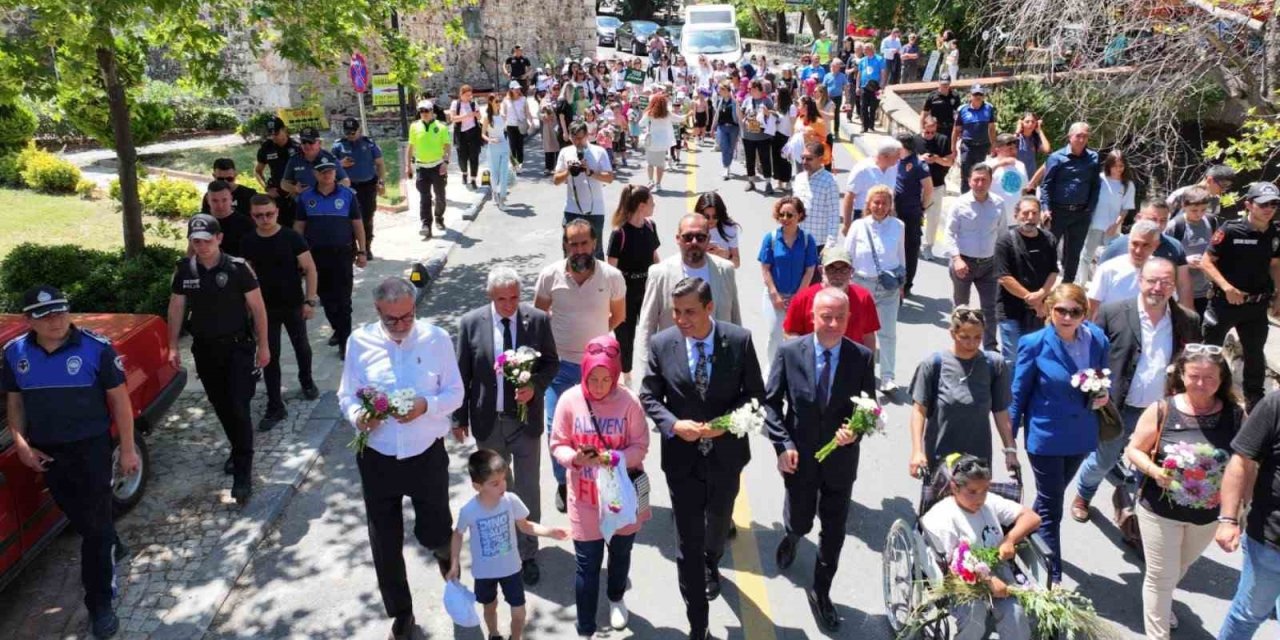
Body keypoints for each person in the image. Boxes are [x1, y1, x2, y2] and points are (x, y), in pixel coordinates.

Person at [2, 284, 140, 640]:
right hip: (48, 453)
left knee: (93, 533)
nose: (56, 320)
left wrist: (128, 449)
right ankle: (110, 539)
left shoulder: (97, 349)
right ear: (29, 321)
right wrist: (21, 444)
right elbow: (15, 403)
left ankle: (100, 604)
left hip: (91, 450)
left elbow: (120, 401)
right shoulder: (14, 353)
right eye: (45, 315)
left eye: (61, 311)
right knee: (77, 515)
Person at [640, 278, 765, 638]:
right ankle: (699, 624)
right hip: (682, 463)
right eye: (676, 312)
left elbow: (755, 395)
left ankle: (713, 559)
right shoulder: (662, 344)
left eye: (690, 312)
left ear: (709, 308)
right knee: (688, 544)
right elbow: (649, 396)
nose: (681, 320)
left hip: (726, 459)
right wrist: (673, 424)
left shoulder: (738, 341)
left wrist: (724, 425)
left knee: (718, 524)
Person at [339, 277, 464, 640]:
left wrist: (427, 405)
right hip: (378, 457)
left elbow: (456, 393)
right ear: (377, 311)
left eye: (407, 316)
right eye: (391, 319)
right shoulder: (359, 342)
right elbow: (346, 395)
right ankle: (401, 614)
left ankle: (450, 574)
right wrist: (358, 417)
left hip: (426, 455)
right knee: (385, 541)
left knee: (437, 531)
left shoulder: (436, 339)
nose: (400, 325)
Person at [765, 286, 875, 631]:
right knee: (800, 518)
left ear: (849, 319)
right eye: (826, 317)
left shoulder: (861, 357)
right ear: (812, 317)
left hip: (840, 462)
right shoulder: (789, 352)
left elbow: (868, 407)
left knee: (834, 530)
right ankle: (793, 535)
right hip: (800, 458)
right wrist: (783, 445)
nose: (833, 324)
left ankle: (821, 591)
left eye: (840, 317)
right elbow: (771, 404)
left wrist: (856, 430)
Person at [1074, 258, 1202, 530]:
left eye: (1166, 282)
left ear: (1174, 286)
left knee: (1155, 465)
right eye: (1152, 281)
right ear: (1140, 281)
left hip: (1164, 411)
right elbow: (1091, 356)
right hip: (1120, 407)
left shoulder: (1188, 320)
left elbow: (1192, 364)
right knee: (1104, 460)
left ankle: (1141, 517)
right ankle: (1084, 495)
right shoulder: (1112, 312)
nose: (1158, 288)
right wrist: (1095, 393)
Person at [453, 267, 560, 584]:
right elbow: (462, 374)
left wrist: (535, 387)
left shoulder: (536, 321)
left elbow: (551, 363)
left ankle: (528, 553)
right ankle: (503, 545)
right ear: (490, 296)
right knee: (497, 489)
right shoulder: (471, 324)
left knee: (526, 489)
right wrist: (459, 417)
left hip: (525, 422)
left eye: (514, 297)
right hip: (488, 422)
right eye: (502, 299)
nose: (509, 305)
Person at [1124, 348, 1240, 639]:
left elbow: (1245, 462)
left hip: (1207, 516)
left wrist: (1237, 511)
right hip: (1159, 511)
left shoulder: (1235, 415)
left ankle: (1162, 603)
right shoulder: (1162, 409)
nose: (1201, 383)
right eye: (1194, 376)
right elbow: (1134, 450)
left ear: (1222, 379)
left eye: (1209, 378)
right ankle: (1158, 631)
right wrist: (1154, 471)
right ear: (1182, 375)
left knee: (1180, 566)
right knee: (1160, 576)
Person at [550, 334, 651, 638]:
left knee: (620, 554)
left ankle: (616, 597)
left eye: (606, 379)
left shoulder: (629, 402)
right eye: (593, 378)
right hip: (584, 500)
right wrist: (576, 459)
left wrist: (616, 458)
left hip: (621, 499)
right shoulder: (570, 400)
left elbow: (641, 446)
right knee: (587, 564)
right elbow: (558, 443)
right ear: (584, 371)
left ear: (616, 374)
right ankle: (586, 628)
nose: (598, 386)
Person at [1009, 283, 1110, 582]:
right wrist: (1008, 444)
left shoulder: (1097, 339)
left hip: (1081, 436)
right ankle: (1052, 577)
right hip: (1046, 438)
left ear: (1085, 313)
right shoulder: (1033, 343)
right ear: (1049, 310)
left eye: (1075, 312)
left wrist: (1103, 394)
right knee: (1052, 509)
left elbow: (1104, 377)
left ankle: (1015, 534)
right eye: (1061, 310)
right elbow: (1018, 394)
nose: (1067, 317)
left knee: (1047, 499)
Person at [166, 214, 271, 505]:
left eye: (206, 240)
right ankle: (238, 449)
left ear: (219, 238)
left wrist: (264, 347)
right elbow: (176, 308)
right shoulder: (184, 270)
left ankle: (243, 473)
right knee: (222, 406)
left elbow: (259, 309)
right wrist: (172, 346)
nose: (201, 246)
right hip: (205, 350)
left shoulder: (237, 268)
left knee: (238, 406)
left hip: (238, 349)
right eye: (196, 241)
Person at [535, 219, 627, 513]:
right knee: (556, 427)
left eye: (584, 243)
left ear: (594, 243)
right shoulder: (549, 275)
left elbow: (619, 317)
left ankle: (602, 478)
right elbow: (539, 317)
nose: (579, 249)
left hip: (598, 369)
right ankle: (563, 483)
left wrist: (595, 343)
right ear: (565, 245)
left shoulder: (612, 276)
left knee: (602, 426)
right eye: (573, 244)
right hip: (559, 366)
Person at [446, 450, 568, 640]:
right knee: (490, 607)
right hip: (484, 574)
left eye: (503, 479)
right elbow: (458, 534)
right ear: (477, 486)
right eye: (494, 483)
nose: (502, 485)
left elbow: (525, 525)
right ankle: (494, 634)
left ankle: (515, 637)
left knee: (519, 613)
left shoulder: (511, 500)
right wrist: (454, 563)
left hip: (511, 569)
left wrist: (550, 532)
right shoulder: (469, 511)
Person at [919, 455, 1039, 640]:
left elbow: (1032, 517)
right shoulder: (942, 518)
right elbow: (950, 568)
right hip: (961, 580)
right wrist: (989, 581)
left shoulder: (989, 502)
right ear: (954, 487)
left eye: (984, 490)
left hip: (997, 568)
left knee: (1015, 615)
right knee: (975, 619)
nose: (980, 498)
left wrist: (1009, 539)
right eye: (973, 491)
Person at [239, 195, 319, 430]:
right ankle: (275, 404)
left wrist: (310, 300)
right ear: (252, 216)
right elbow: (246, 275)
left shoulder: (291, 237)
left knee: (301, 346)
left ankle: (306, 380)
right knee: (269, 354)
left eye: (269, 214)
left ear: (277, 213)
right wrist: (247, 306)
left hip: (293, 303)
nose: (264, 219)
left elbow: (310, 268)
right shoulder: (248, 241)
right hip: (264, 308)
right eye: (259, 216)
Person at [908, 307, 1017, 478]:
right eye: (965, 337)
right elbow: (919, 410)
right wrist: (917, 451)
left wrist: (1010, 450)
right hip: (940, 459)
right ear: (953, 333)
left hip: (978, 462)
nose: (971, 343)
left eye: (978, 337)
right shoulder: (933, 364)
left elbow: (1001, 412)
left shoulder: (994, 365)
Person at [1200, 182, 1280, 412]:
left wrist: (1278, 294)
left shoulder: (1275, 233)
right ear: (1248, 205)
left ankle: (1254, 403)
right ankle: (1209, 395)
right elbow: (1206, 262)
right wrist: (1227, 288)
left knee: (1254, 354)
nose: (1269, 209)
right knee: (1210, 351)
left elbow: (1275, 264)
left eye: (1274, 204)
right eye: (1263, 204)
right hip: (1224, 303)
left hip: (1256, 305)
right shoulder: (1230, 230)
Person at [635, 213, 742, 374]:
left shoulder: (726, 270)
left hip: (719, 365)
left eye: (700, 237)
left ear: (708, 239)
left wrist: (738, 366)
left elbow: (735, 320)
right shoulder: (659, 273)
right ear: (678, 239)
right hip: (673, 368)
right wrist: (646, 372)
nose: (694, 242)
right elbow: (647, 326)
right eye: (688, 237)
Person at [1217, 392, 1280, 639]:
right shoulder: (1276, 404)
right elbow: (1241, 461)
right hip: (1270, 542)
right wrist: (1228, 519)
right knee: (1249, 614)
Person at [292, 158, 367, 360]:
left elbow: (357, 224)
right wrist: (297, 255)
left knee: (343, 300)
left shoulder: (347, 195)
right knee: (326, 299)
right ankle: (338, 329)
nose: (327, 175)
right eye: (323, 171)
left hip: (342, 254)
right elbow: (299, 227)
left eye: (331, 171)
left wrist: (362, 251)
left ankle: (345, 342)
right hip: (316, 256)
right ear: (315, 174)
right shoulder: (306, 197)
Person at [844, 185, 905, 392]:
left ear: (890, 205)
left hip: (889, 287)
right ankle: (860, 371)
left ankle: (888, 377)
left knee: (888, 333)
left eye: (884, 203)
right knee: (859, 331)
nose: (880, 207)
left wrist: (902, 284)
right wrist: (845, 286)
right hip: (861, 285)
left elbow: (901, 256)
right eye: (876, 202)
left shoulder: (899, 226)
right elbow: (847, 256)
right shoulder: (858, 226)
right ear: (868, 204)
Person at [945, 164, 1004, 351]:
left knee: (990, 308)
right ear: (969, 181)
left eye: (984, 180)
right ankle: (961, 344)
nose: (980, 184)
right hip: (963, 264)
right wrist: (956, 259)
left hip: (989, 265)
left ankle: (990, 347)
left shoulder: (999, 204)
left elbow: (1002, 235)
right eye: (976, 180)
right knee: (961, 309)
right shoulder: (959, 203)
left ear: (990, 181)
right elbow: (949, 234)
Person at [606, 185, 661, 381]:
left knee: (652, 333)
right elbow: (611, 270)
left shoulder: (650, 226)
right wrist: (610, 301)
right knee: (625, 337)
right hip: (625, 293)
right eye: (651, 202)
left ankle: (653, 374)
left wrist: (662, 280)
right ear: (641, 206)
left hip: (647, 289)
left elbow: (654, 256)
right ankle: (626, 376)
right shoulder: (619, 234)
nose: (654, 205)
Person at [995, 198, 1059, 363]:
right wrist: (1032, 299)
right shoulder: (1005, 241)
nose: (1030, 217)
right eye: (1025, 213)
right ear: (1016, 215)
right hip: (1010, 310)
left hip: (1039, 311)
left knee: (1033, 355)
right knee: (1012, 357)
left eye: (1034, 213)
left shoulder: (1049, 239)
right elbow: (1004, 277)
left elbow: (1053, 271)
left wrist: (1042, 294)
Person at [1097, 202, 1194, 310]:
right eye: (1153, 219)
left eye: (1163, 220)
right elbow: (1099, 285)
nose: (1158, 225)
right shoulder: (1116, 247)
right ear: (1138, 218)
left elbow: (1184, 286)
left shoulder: (1175, 247)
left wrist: (1188, 316)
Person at [782, 247, 880, 350]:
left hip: (852, 359)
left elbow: (868, 335)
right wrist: (805, 353)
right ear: (821, 270)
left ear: (851, 271)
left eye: (844, 270)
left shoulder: (863, 297)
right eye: (831, 270)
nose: (838, 276)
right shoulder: (803, 298)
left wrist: (869, 360)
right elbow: (789, 332)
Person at [760, 197, 821, 364]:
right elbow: (765, 269)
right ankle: (772, 368)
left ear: (799, 215)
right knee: (775, 334)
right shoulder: (771, 238)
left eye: (790, 215)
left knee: (796, 336)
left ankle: (793, 370)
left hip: (798, 297)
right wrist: (775, 295)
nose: (785, 218)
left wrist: (798, 297)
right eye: (782, 215)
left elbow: (810, 270)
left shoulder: (807, 240)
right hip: (775, 296)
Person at [1041, 122, 1102, 283]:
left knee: (1074, 253)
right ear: (1070, 137)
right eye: (1078, 136)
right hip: (1057, 212)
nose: (1081, 140)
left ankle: (1067, 286)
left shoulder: (1093, 158)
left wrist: (1090, 208)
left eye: (1085, 136)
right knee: (1049, 249)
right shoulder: (1056, 157)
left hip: (1081, 213)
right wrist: (1046, 208)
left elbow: (1096, 185)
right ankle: (1043, 285)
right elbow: (1046, 185)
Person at [554, 121, 616, 259]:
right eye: (574, 138)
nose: (578, 142)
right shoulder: (565, 152)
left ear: (587, 135)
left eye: (580, 138)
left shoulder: (599, 151)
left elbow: (609, 178)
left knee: (595, 252)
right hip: (572, 209)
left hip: (595, 211)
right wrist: (568, 171)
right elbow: (556, 180)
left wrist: (590, 172)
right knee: (570, 252)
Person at [1076, 149, 1135, 286]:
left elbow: (1125, 208)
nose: (1118, 169)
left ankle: (1107, 286)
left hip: (1113, 227)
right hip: (1095, 224)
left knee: (1111, 257)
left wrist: (1116, 225)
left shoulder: (1128, 185)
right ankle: (1080, 284)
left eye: (1121, 166)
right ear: (1109, 165)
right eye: (1115, 166)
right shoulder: (1100, 179)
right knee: (1086, 255)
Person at [331, 117, 386, 259]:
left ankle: (366, 247)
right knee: (347, 218)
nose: (350, 135)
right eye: (347, 132)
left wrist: (381, 182)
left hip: (367, 187)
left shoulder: (369, 144)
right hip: (347, 188)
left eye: (353, 132)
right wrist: (340, 164)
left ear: (359, 130)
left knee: (367, 217)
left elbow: (380, 164)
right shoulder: (338, 146)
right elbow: (329, 166)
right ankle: (353, 249)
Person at [1086, 220, 1162, 317]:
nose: (1138, 251)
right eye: (1135, 244)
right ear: (1128, 241)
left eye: (1145, 245)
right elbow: (1092, 306)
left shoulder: (1162, 271)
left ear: (1156, 245)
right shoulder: (1108, 269)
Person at [1166, 186, 1218, 315]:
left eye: (1203, 210)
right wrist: (1185, 261)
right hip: (1181, 291)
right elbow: (1162, 258)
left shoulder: (1211, 221)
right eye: (1194, 210)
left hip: (1207, 289)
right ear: (1184, 206)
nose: (1199, 214)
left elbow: (1218, 249)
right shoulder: (1175, 226)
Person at [894, 131, 934, 296]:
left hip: (910, 214)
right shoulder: (896, 161)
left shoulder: (918, 164)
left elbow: (928, 189)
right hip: (894, 212)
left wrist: (922, 207)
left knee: (910, 249)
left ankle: (907, 284)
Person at [405, 100, 451, 238]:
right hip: (422, 167)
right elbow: (410, 147)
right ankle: (426, 225)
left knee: (440, 196)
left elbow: (447, 146)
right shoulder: (414, 126)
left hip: (438, 166)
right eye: (421, 111)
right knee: (424, 197)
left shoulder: (441, 127)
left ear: (432, 111)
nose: (424, 113)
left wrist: (445, 162)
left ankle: (439, 217)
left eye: (426, 111)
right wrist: (408, 166)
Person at [841, 140, 901, 234]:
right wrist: (847, 224)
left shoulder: (894, 167)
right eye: (897, 155)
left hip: (886, 216)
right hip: (864, 216)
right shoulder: (862, 169)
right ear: (885, 156)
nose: (899, 158)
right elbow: (849, 196)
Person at [793, 141, 841, 249]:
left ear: (820, 159)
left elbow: (834, 215)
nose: (804, 162)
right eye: (803, 158)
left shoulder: (830, 181)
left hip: (818, 244)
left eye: (809, 159)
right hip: (798, 240)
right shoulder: (799, 178)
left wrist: (829, 245)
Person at [919, 116, 955, 260]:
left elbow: (949, 162)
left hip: (936, 185)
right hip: (917, 186)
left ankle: (928, 246)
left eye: (933, 132)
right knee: (914, 217)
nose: (930, 135)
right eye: (927, 132)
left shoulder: (943, 140)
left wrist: (936, 159)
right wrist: (920, 158)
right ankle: (913, 243)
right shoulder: (915, 140)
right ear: (922, 128)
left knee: (933, 218)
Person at [281, 126, 350, 199]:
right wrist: (295, 188)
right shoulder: (294, 159)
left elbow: (345, 181)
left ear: (319, 143)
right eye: (304, 142)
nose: (307, 145)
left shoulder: (330, 158)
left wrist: (333, 190)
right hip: (303, 201)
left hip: (326, 201)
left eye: (310, 142)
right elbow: (284, 183)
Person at [254, 116, 301, 225]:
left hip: (296, 193)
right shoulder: (266, 148)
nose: (273, 137)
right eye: (270, 134)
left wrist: (297, 188)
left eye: (276, 133)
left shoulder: (298, 146)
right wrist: (267, 188)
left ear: (284, 129)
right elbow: (257, 171)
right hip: (277, 195)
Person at [951, 84, 996, 193]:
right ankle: (965, 196)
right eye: (976, 94)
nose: (978, 96)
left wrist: (993, 145)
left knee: (979, 173)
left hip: (982, 147)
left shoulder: (989, 108)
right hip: (967, 147)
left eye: (980, 94)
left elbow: (991, 128)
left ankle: (978, 195)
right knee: (966, 174)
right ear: (970, 96)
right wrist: (953, 148)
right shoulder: (962, 110)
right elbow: (956, 130)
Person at [982, 133, 1029, 229]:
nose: (1014, 151)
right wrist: (998, 165)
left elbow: (1024, 190)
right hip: (994, 220)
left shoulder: (1020, 165)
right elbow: (981, 183)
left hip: (1016, 220)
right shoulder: (987, 165)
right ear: (997, 149)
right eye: (1010, 149)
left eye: (1015, 148)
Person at [740, 79, 776, 194]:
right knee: (749, 159)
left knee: (765, 160)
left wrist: (767, 113)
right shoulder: (747, 100)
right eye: (749, 89)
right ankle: (751, 181)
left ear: (757, 89)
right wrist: (745, 121)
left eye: (751, 88)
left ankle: (768, 183)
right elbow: (742, 114)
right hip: (748, 136)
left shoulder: (767, 101)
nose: (749, 90)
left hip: (763, 137)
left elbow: (775, 116)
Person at [202, 180, 255, 257]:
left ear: (231, 198)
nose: (220, 205)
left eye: (224, 200)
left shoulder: (245, 223)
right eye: (215, 201)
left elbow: (251, 254)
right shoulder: (200, 221)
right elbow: (192, 249)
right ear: (207, 199)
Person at [1167, 164, 1236, 221]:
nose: (1223, 190)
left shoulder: (1215, 200)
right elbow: (1164, 220)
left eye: (1227, 187)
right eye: (1223, 186)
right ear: (1210, 180)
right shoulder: (1181, 194)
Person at [482, 93, 514, 210]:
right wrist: (490, 140)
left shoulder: (502, 116)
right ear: (490, 103)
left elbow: (504, 133)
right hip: (493, 148)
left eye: (499, 101)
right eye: (496, 101)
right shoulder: (487, 117)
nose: (498, 103)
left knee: (504, 173)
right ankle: (495, 193)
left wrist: (509, 150)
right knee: (494, 174)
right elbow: (482, 134)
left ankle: (502, 199)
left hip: (503, 145)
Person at [639, 93, 676, 191]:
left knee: (650, 163)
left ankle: (650, 181)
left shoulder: (649, 113)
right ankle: (658, 184)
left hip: (651, 141)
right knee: (660, 165)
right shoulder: (667, 114)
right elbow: (679, 119)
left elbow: (641, 124)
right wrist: (689, 114)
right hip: (662, 143)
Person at [696, 191, 742, 268]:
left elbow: (737, 264)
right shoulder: (693, 228)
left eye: (715, 216)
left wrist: (726, 255)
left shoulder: (729, 229)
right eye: (707, 217)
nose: (711, 220)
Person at [450, 85, 483, 190]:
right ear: (461, 94)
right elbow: (453, 118)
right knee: (462, 157)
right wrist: (467, 115)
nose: (469, 97)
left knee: (474, 156)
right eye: (467, 95)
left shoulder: (473, 103)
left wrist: (476, 115)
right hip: (461, 134)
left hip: (473, 133)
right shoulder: (455, 104)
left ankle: (473, 179)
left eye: (470, 95)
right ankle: (464, 173)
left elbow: (480, 117)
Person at [708, 81, 741, 180]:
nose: (719, 91)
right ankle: (726, 167)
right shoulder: (720, 101)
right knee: (724, 147)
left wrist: (742, 131)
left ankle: (728, 165)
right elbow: (717, 115)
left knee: (731, 148)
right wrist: (712, 127)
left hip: (733, 128)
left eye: (721, 89)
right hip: (722, 127)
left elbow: (739, 116)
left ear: (727, 90)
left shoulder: (734, 102)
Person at [854, 43, 886, 133]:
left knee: (873, 107)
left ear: (871, 49)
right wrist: (857, 87)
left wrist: (882, 87)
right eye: (863, 49)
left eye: (865, 49)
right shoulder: (862, 60)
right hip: (864, 86)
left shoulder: (879, 59)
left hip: (876, 87)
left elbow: (883, 73)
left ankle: (871, 126)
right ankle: (864, 126)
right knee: (863, 107)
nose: (863, 51)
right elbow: (859, 74)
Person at [1015, 112, 1051, 181]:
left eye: (1033, 122)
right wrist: (1017, 130)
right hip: (1016, 176)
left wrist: (1040, 131)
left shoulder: (1035, 139)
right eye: (1027, 122)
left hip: (1030, 178)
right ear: (1022, 123)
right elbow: (1007, 145)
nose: (1030, 124)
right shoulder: (1017, 138)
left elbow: (1047, 149)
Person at [821, 59, 849, 141]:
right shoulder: (827, 76)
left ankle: (836, 132)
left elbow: (845, 87)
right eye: (832, 66)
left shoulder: (842, 76)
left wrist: (847, 99)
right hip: (828, 98)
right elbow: (823, 87)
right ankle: (825, 131)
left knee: (836, 115)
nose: (833, 68)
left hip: (837, 97)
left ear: (839, 67)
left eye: (835, 66)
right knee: (826, 114)